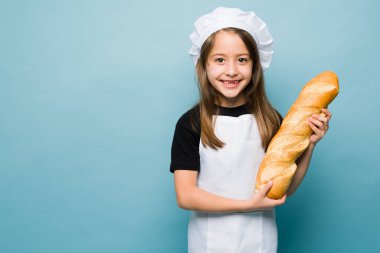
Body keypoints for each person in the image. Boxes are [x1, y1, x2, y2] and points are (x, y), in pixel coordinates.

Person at [169, 7, 332, 253]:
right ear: (203, 66)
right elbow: (186, 196)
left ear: (255, 66)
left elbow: (285, 188)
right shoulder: (190, 123)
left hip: (260, 238)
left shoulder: (270, 119)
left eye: (242, 59)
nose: (232, 70)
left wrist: (309, 144)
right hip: (209, 240)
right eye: (220, 59)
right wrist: (247, 205)